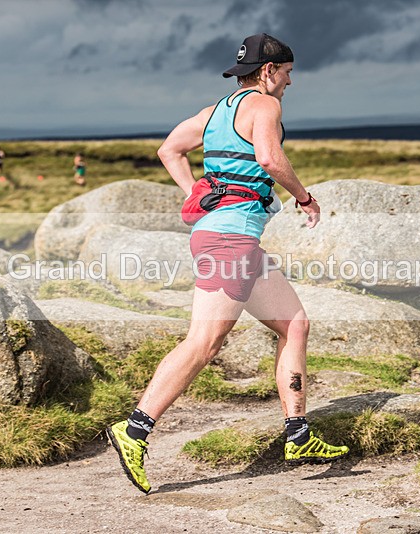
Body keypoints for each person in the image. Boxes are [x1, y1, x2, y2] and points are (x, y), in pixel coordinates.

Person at [106, 33, 348, 495]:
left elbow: (169, 150)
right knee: (205, 341)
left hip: (230, 238)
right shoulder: (264, 106)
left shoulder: (213, 112)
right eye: (288, 72)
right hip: (229, 240)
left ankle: (298, 435)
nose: (290, 82)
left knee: (294, 323)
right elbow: (269, 158)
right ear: (268, 71)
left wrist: (196, 192)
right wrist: (305, 198)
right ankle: (134, 430)